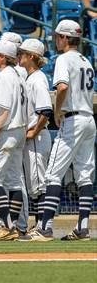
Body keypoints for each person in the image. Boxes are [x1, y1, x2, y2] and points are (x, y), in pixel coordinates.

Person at [23, 20, 96, 242]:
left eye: (58, 36)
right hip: (89, 119)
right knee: (85, 176)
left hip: (72, 120)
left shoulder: (64, 59)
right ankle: (82, 228)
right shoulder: (86, 61)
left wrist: (57, 111)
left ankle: (44, 227)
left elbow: (62, 86)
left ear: (64, 38)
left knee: (53, 174)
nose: (56, 40)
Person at [0, 40, 28, 241]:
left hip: (7, 130)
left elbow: (4, 110)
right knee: (14, 181)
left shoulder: (4, 76)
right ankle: (12, 226)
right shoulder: (19, 75)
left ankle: (7, 227)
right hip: (20, 130)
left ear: (3, 56)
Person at [13, 39, 52, 238]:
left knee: (39, 185)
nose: (19, 55)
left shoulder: (38, 79)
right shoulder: (30, 77)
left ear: (32, 56)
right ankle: (39, 226)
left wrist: (33, 132)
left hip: (37, 138)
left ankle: (44, 228)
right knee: (34, 185)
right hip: (33, 137)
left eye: (22, 53)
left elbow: (45, 110)